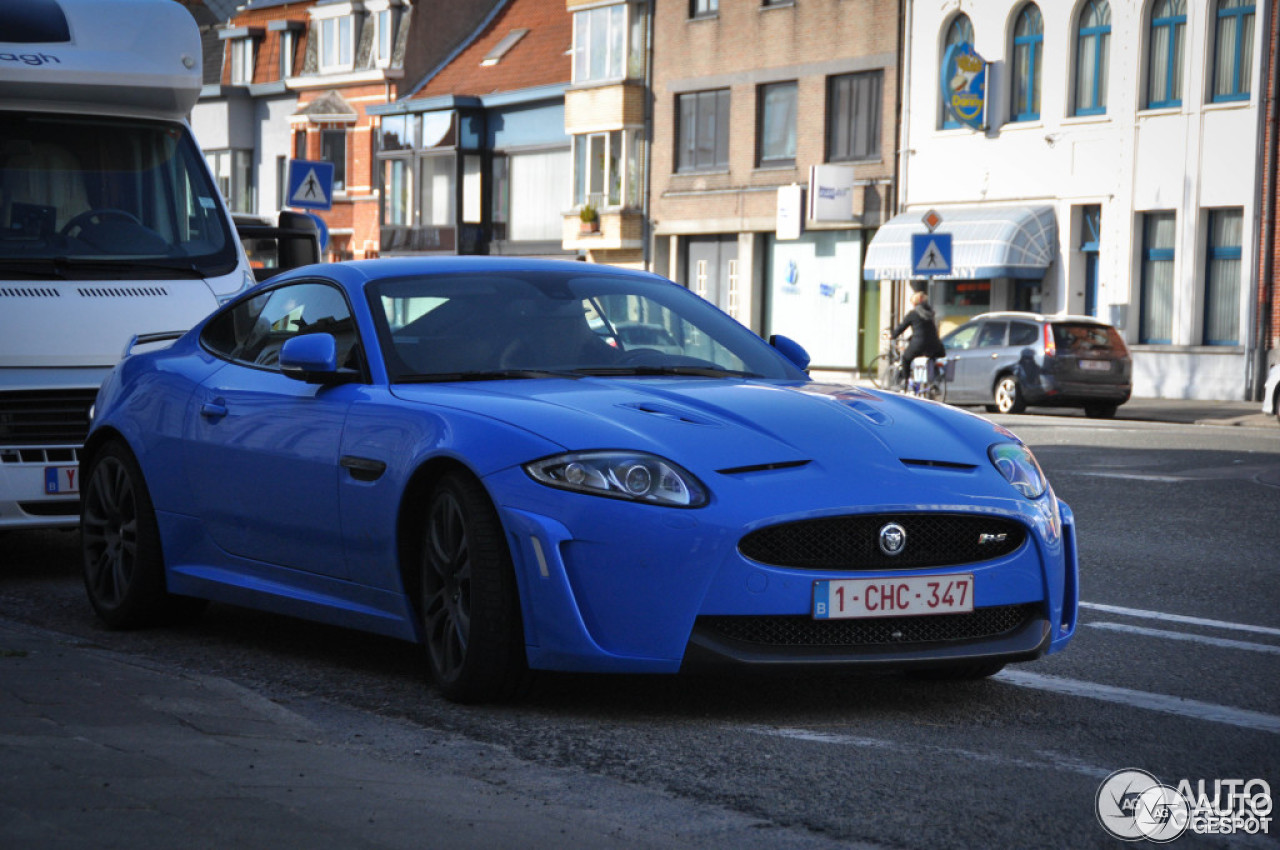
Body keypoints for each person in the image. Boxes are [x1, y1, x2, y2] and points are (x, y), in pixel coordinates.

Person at [889, 289, 945, 388]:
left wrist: (892, 335)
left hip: (919, 345)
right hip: (935, 346)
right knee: (934, 358)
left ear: (914, 303)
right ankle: (935, 379)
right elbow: (926, 330)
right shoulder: (931, 313)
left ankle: (907, 382)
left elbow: (902, 327)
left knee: (906, 358)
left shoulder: (913, 314)